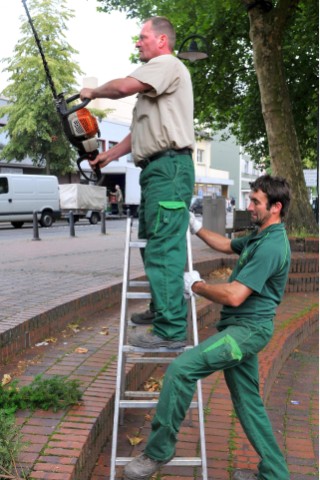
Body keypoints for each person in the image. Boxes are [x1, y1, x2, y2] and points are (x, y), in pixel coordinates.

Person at [124, 175, 291, 480]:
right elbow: (227, 245)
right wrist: (196, 226)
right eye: (250, 199)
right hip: (243, 329)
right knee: (248, 403)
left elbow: (235, 294)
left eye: (256, 202)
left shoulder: (272, 246)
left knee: (181, 370)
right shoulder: (261, 236)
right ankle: (275, 474)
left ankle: (159, 451)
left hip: (245, 333)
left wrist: (198, 286)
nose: (249, 206)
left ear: (276, 207)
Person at [80, 16, 195, 348]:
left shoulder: (165, 63)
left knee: (163, 248)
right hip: (158, 171)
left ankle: (171, 330)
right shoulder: (155, 85)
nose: (137, 42)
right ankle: (162, 310)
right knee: (152, 243)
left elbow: (122, 87)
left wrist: (93, 90)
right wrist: (109, 156)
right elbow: (139, 133)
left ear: (161, 40)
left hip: (169, 170)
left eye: (142, 36)